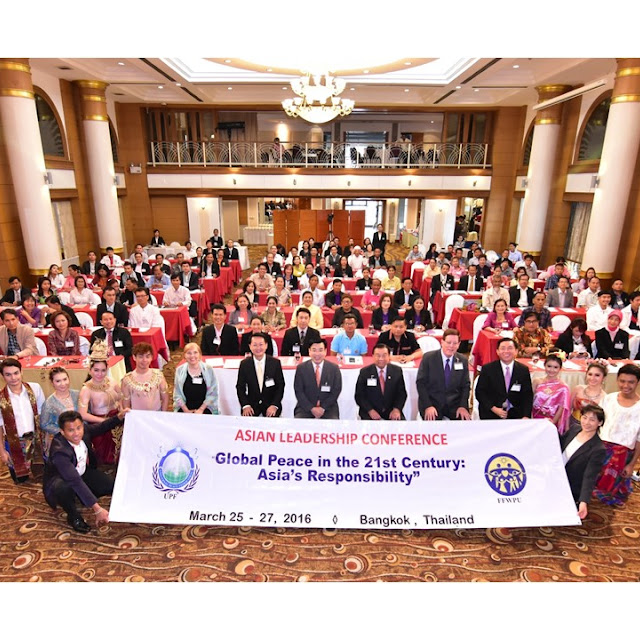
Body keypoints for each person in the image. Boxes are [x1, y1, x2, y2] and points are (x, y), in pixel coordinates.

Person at [43, 409, 126, 533]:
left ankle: (83, 496)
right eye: (71, 430)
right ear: (63, 432)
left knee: (110, 485)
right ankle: (73, 516)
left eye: (79, 428)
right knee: (63, 488)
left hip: (82, 472)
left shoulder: (84, 430)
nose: (76, 433)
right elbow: (74, 480)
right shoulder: (60, 451)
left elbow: (102, 427)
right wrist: (97, 509)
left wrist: (119, 417)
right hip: (61, 480)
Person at [593, 364, 640, 506]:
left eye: (631, 382)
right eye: (622, 381)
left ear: (638, 382)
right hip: (601, 448)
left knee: (612, 491)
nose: (625, 385)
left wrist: (631, 465)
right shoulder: (608, 399)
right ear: (617, 380)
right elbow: (597, 424)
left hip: (623, 455)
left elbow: (639, 440)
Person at [0, 358, 46, 483]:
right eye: (8, 375)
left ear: (22, 372)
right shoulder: (1, 398)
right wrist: (2, 451)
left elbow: (42, 415)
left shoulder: (35, 388)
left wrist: (46, 439)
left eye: (16, 373)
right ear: (3, 376)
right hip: (15, 442)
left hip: (36, 438)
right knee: (21, 479)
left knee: (42, 474)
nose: (13, 378)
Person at [560, 403, 607, 520]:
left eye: (592, 420)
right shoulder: (574, 429)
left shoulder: (598, 448)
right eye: (584, 417)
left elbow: (589, 476)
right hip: (556, 473)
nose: (586, 422)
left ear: (600, 423)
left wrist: (583, 501)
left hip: (570, 484)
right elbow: (559, 443)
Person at [416, 328, 471, 420]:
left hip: (454, 405)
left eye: (455, 343)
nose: (451, 346)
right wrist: (428, 406)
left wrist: (462, 406)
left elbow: (465, 385)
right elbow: (421, 384)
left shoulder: (462, 360)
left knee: (465, 424)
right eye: (448, 342)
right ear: (442, 342)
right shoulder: (428, 358)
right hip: (433, 404)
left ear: (459, 344)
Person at [475, 337, 533, 420]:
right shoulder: (488, 369)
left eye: (510, 348)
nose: (506, 351)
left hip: (516, 414)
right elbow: (480, 392)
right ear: (497, 351)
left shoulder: (523, 370)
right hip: (492, 412)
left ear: (516, 351)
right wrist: (494, 409)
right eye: (503, 348)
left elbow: (527, 395)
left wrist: (526, 416)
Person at [236, 332, 285, 417]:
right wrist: (246, 405)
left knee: (272, 420)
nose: (258, 348)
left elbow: (280, 385)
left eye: (261, 344)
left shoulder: (275, 363)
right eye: (255, 345)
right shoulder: (245, 364)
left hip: (270, 403)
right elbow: (240, 387)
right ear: (250, 346)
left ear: (266, 345)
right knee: (247, 419)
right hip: (252, 404)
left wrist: (274, 405)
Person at [355, 343, 407, 420]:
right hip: (370, 411)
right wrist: (370, 410)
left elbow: (402, 394)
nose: (381, 358)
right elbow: (359, 396)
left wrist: (396, 409)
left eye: (384, 355)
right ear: (373, 356)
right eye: (378, 355)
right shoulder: (365, 372)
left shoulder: (397, 371)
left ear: (389, 356)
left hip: (391, 410)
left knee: (401, 424)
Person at [293, 338, 342, 420]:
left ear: (325, 351)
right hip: (305, 407)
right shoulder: (301, 368)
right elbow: (299, 391)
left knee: (333, 423)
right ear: (309, 351)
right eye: (314, 350)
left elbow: (336, 390)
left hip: (328, 407)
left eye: (320, 350)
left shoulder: (334, 368)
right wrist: (311, 408)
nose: (317, 354)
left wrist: (323, 408)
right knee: (299, 422)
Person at [40, 367, 80, 460]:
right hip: (61, 441)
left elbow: (85, 414)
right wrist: (64, 432)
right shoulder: (49, 403)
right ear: (52, 383)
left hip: (80, 436)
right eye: (58, 381)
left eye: (65, 379)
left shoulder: (77, 395)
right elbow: (44, 424)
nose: (63, 384)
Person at [121, 342, 169, 412]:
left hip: (156, 414)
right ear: (134, 357)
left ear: (151, 357)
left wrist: (163, 415)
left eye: (147, 356)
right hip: (137, 416)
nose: (144, 360)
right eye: (141, 357)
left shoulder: (158, 375)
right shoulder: (127, 379)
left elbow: (165, 398)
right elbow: (126, 404)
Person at [173, 343, 219, 415]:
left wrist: (201, 410)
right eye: (189, 353)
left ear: (200, 355)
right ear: (184, 356)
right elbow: (177, 395)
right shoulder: (179, 370)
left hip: (205, 407)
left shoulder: (209, 369)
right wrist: (186, 411)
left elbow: (213, 393)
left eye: (195, 352)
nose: (192, 356)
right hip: (185, 407)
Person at [532, 353, 571, 434]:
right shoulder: (537, 381)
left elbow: (561, 408)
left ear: (560, 368)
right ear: (544, 366)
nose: (551, 370)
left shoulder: (563, 387)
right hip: (535, 417)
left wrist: (552, 423)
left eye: (555, 367)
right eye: (549, 366)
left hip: (551, 420)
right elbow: (530, 400)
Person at [569, 361, 608, 431]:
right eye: (590, 374)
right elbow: (567, 410)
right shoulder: (578, 389)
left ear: (603, 378)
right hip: (572, 425)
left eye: (597, 375)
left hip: (590, 430)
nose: (592, 378)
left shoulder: (605, 398)